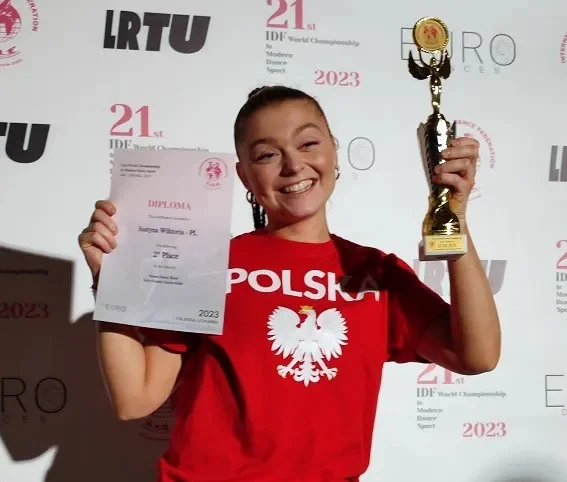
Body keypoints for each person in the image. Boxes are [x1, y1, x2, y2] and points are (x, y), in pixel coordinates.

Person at [78, 85, 500, 482]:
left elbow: (478, 355)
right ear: (244, 176)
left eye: (308, 143)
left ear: (334, 150)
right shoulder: (206, 262)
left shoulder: (376, 274)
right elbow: (135, 398)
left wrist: (453, 220)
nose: (293, 165)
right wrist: (110, 281)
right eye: (267, 155)